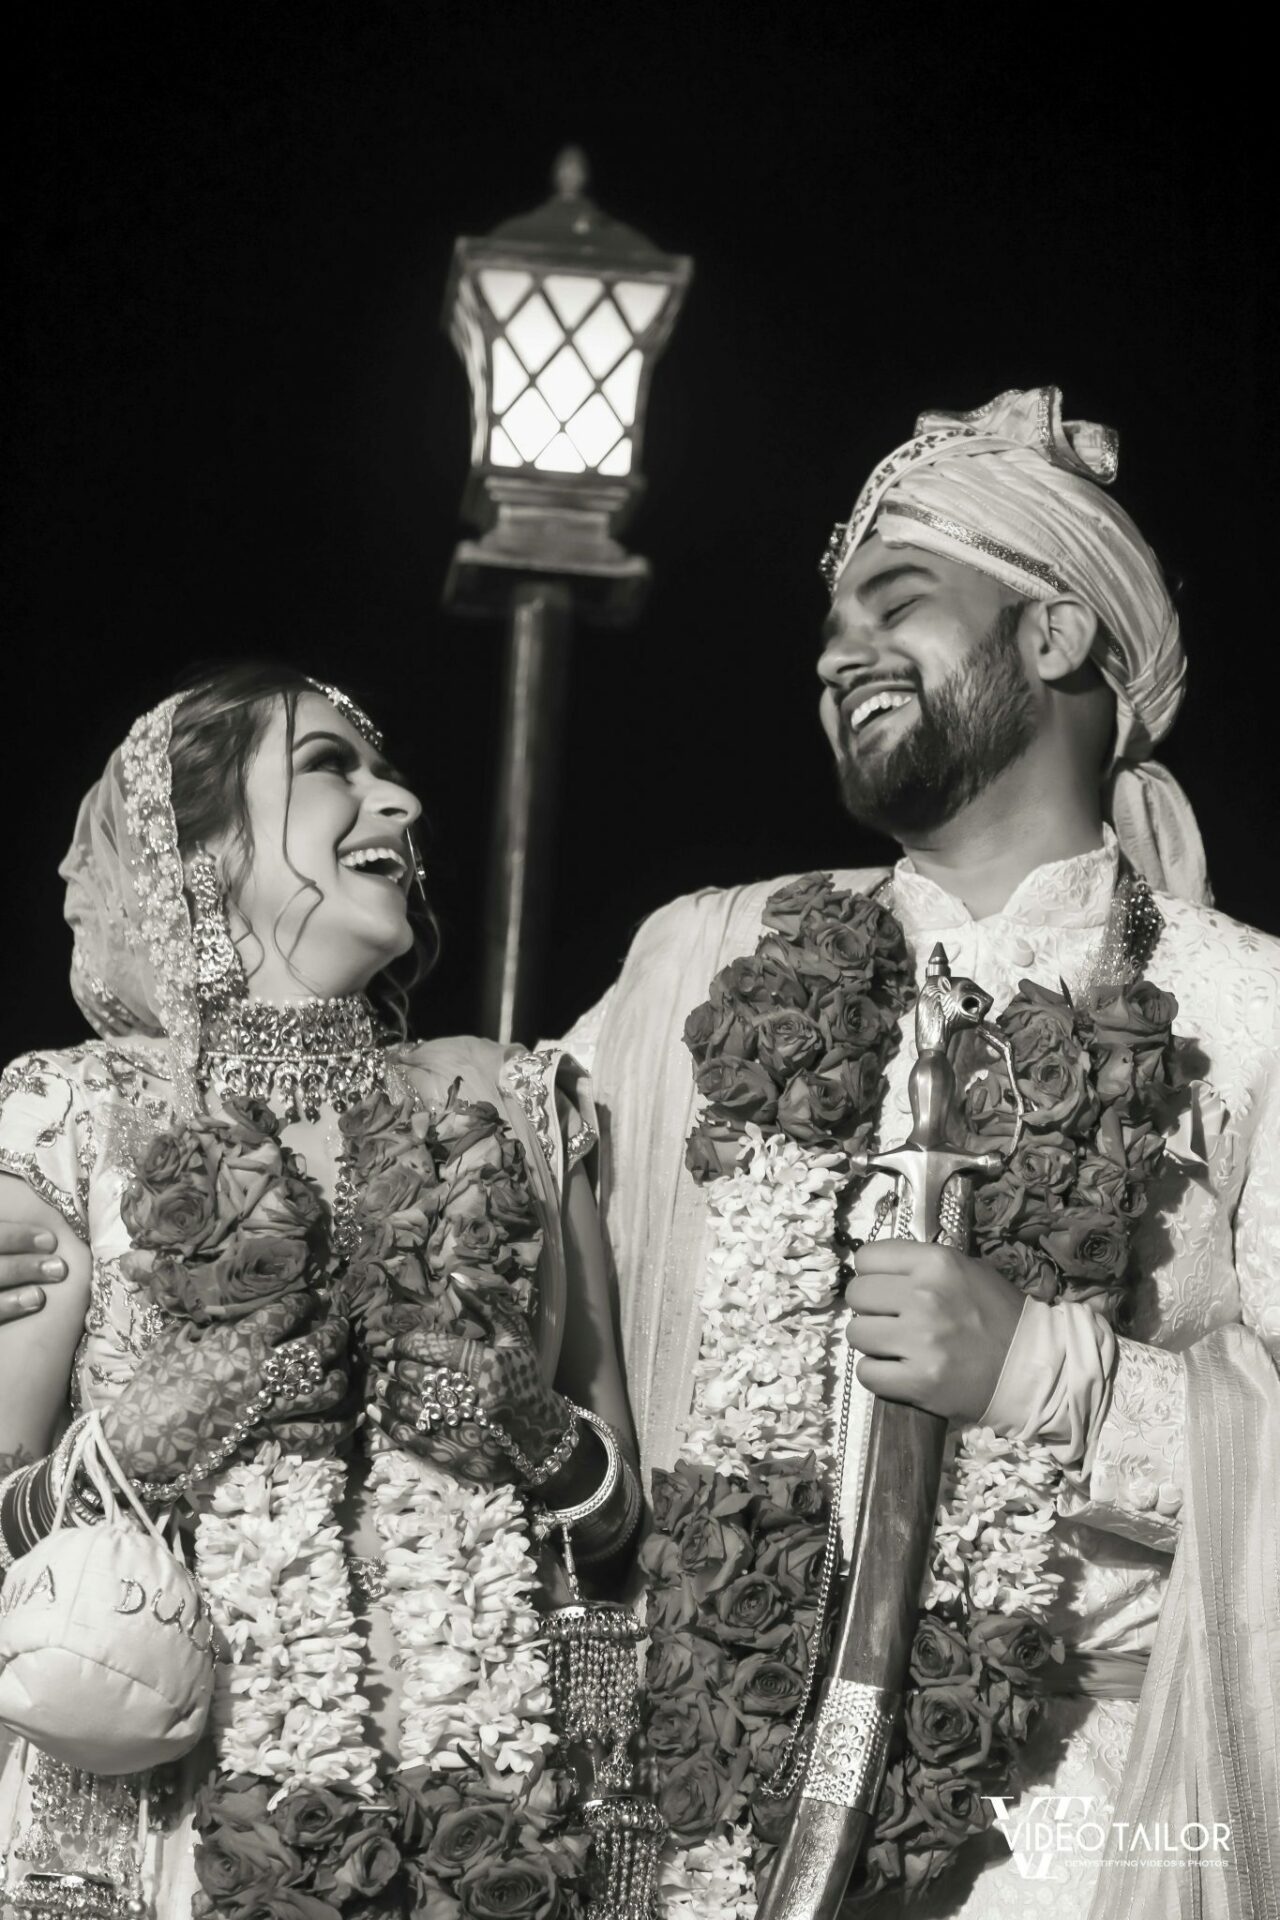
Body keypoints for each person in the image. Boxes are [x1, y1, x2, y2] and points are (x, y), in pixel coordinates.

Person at [560, 389, 1279, 1918]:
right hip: (717, 1836)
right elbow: (489, 1194)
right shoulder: (710, 966)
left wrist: (1050, 1376)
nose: (832, 655)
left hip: (1088, 1838)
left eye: (896, 601)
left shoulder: (1247, 1017)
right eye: (829, 622)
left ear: (1056, 636)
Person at [0, 665, 638, 1916]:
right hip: (162, 1826)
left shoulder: (508, 1105)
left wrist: (526, 1430)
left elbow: (618, 1517)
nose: (394, 800)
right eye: (329, 768)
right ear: (200, 848)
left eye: (384, 771)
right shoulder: (72, 1116)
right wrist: (145, 1437)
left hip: (479, 1812)